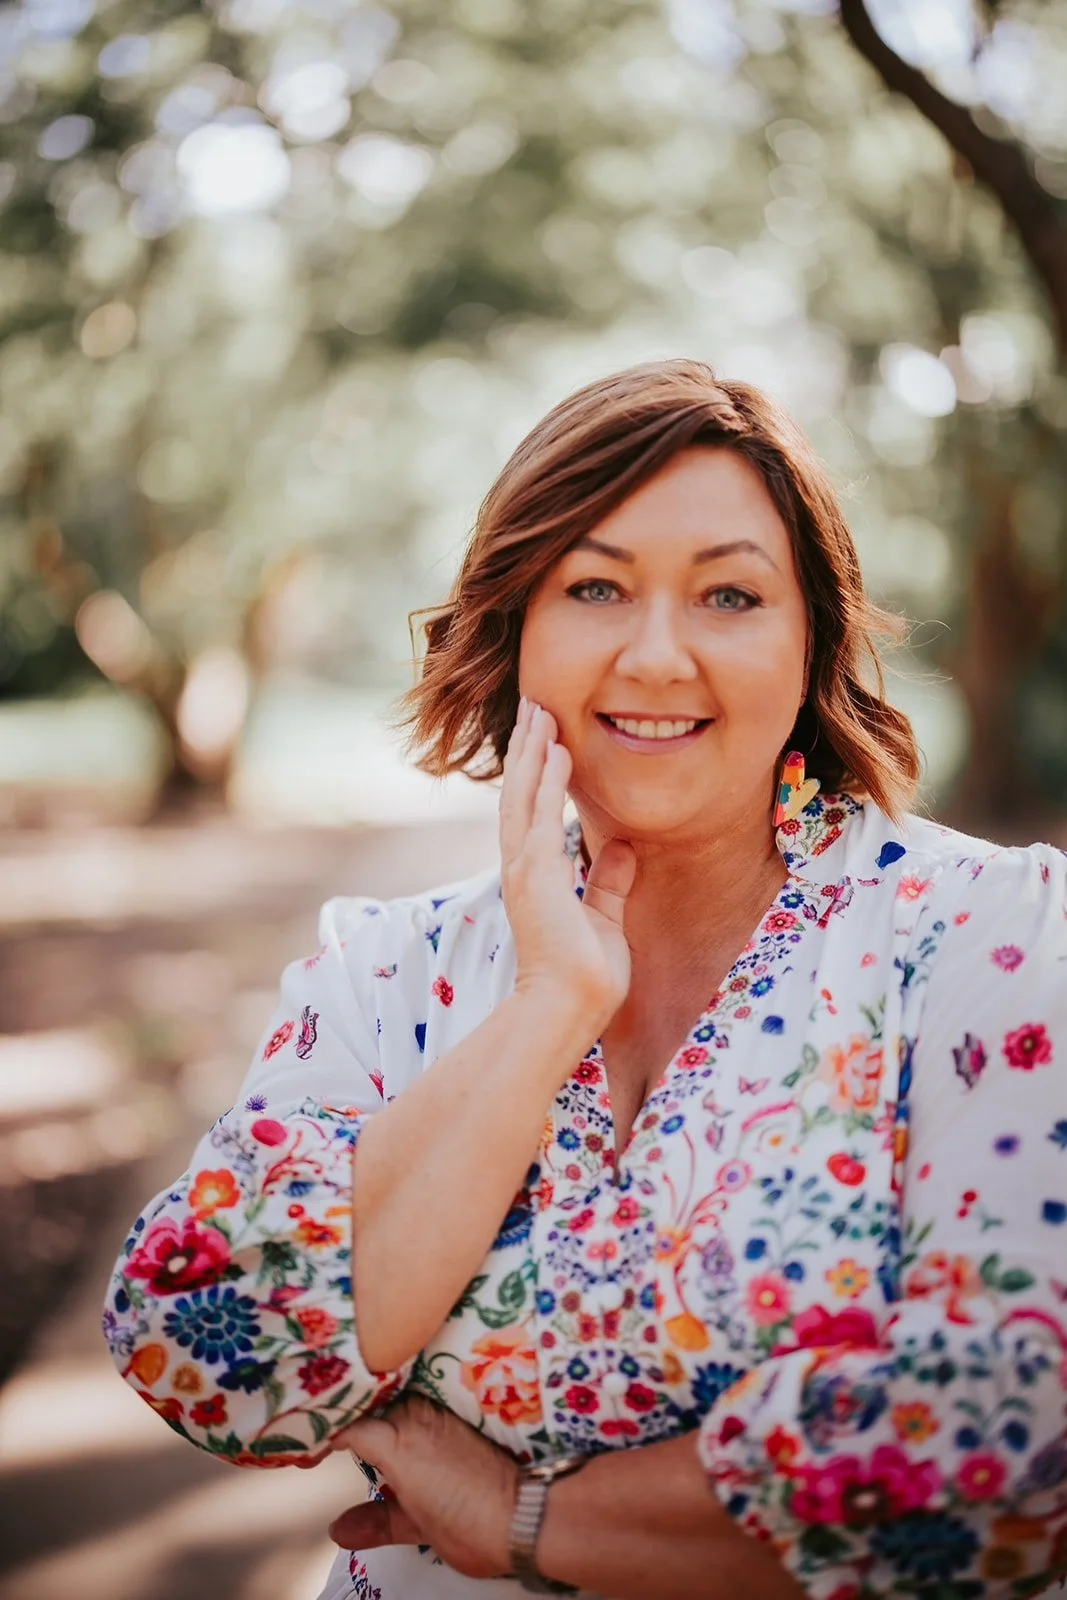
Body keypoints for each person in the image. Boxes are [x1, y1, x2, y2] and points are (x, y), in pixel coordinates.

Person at [102, 360, 1067, 1600]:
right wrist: (550, 1005)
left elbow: (1009, 1449)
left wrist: (521, 1516)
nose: (657, 655)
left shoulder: (987, 939)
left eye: (728, 593)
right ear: (515, 629)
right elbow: (207, 1349)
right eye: (596, 586)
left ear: (811, 637)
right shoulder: (383, 967)